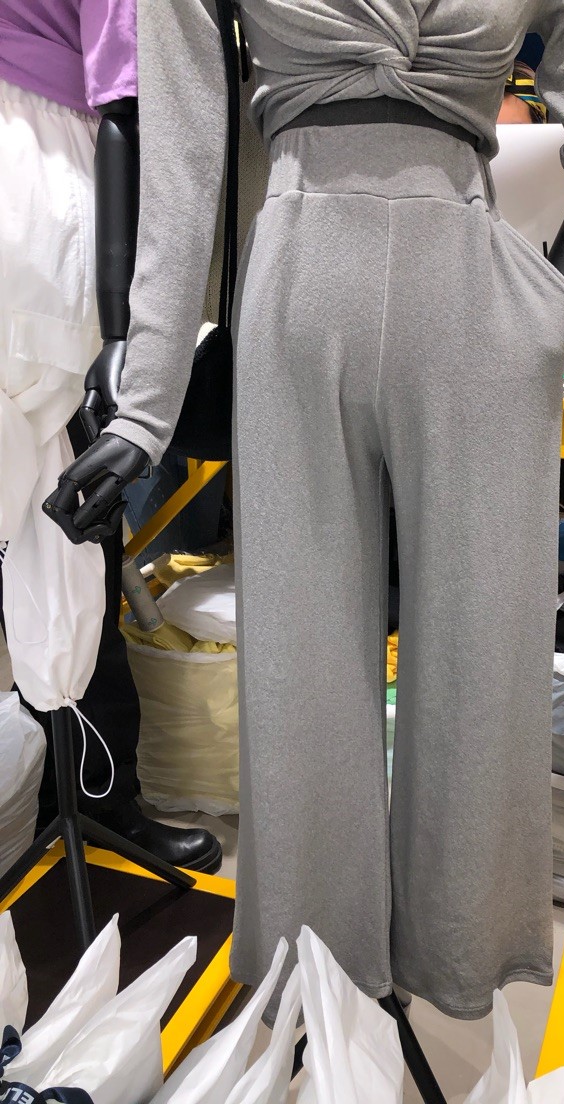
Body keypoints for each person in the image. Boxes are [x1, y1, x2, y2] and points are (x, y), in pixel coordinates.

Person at [47, 0, 564, 1023]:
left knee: (483, 670)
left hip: (479, 310)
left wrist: (557, 301)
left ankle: (454, 960)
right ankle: (324, 992)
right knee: (301, 679)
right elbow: (184, 162)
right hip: (297, 291)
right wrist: (145, 409)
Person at [0, 0, 221, 873]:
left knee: (71, 519)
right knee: (74, 522)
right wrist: (124, 327)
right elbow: (130, 100)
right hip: (44, 197)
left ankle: (92, 794)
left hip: (47, 188)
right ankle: (95, 797)